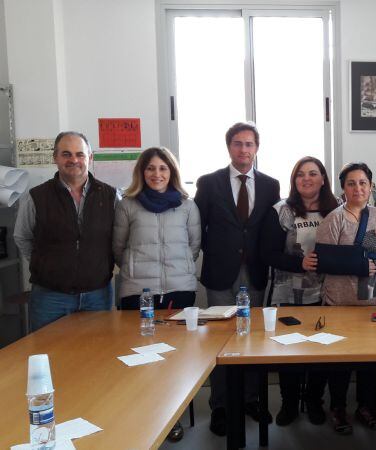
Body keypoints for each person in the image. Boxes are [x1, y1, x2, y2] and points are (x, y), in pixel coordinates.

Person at [194, 121, 280, 436]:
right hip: (220, 273)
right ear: (229, 147)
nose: (244, 150)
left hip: (255, 271)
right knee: (221, 339)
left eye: (249, 144)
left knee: (252, 338)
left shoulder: (271, 185)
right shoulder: (209, 182)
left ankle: (251, 399)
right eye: (238, 144)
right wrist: (220, 251)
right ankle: (221, 405)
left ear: (257, 148)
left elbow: (270, 228)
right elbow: (197, 226)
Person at [112, 147, 199, 442]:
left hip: (179, 289)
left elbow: (194, 245)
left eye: (163, 168)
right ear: (142, 172)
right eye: (151, 168)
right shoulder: (127, 205)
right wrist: (137, 269)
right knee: (140, 356)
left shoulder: (187, 205)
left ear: (171, 172)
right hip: (138, 290)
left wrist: (176, 268)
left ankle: (171, 417)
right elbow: (118, 247)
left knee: (174, 358)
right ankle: (143, 415)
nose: (157, 174)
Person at [315, 162, 376, 434]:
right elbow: (324, 261)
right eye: (351, 183)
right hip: (341, 302)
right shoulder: (333, 218)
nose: (358, 188)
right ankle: (338, 408)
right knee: (340, 361)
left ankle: (366, 406)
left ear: (371, 186)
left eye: (363, 182)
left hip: (374, 300)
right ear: (343, 188)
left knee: (369, 360)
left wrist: (373, 256)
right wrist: (359, 264)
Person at [260, 156, 338, 426]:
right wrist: (299, 263)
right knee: (288, 352)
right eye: (300, 174)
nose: (307, 178)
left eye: (313, 173)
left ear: (323, 178)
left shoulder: (337, 208)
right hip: (288, 294)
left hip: (327, 294)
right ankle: (290, 403)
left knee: (321, 352)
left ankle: (315, 401)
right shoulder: (281, 210)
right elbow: (267, 253)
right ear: (294, 180)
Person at [14, 131, 117, 332]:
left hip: (97, 294)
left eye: (80, 154)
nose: (74, 160)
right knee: (48, 355)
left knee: (97, 355)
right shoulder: (36, 197)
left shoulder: (111, 196)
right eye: (66, 154)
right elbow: (22, 237)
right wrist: (45, 263)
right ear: (55, 158)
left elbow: (117, 241)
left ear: (90, 157)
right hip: (50, 297)